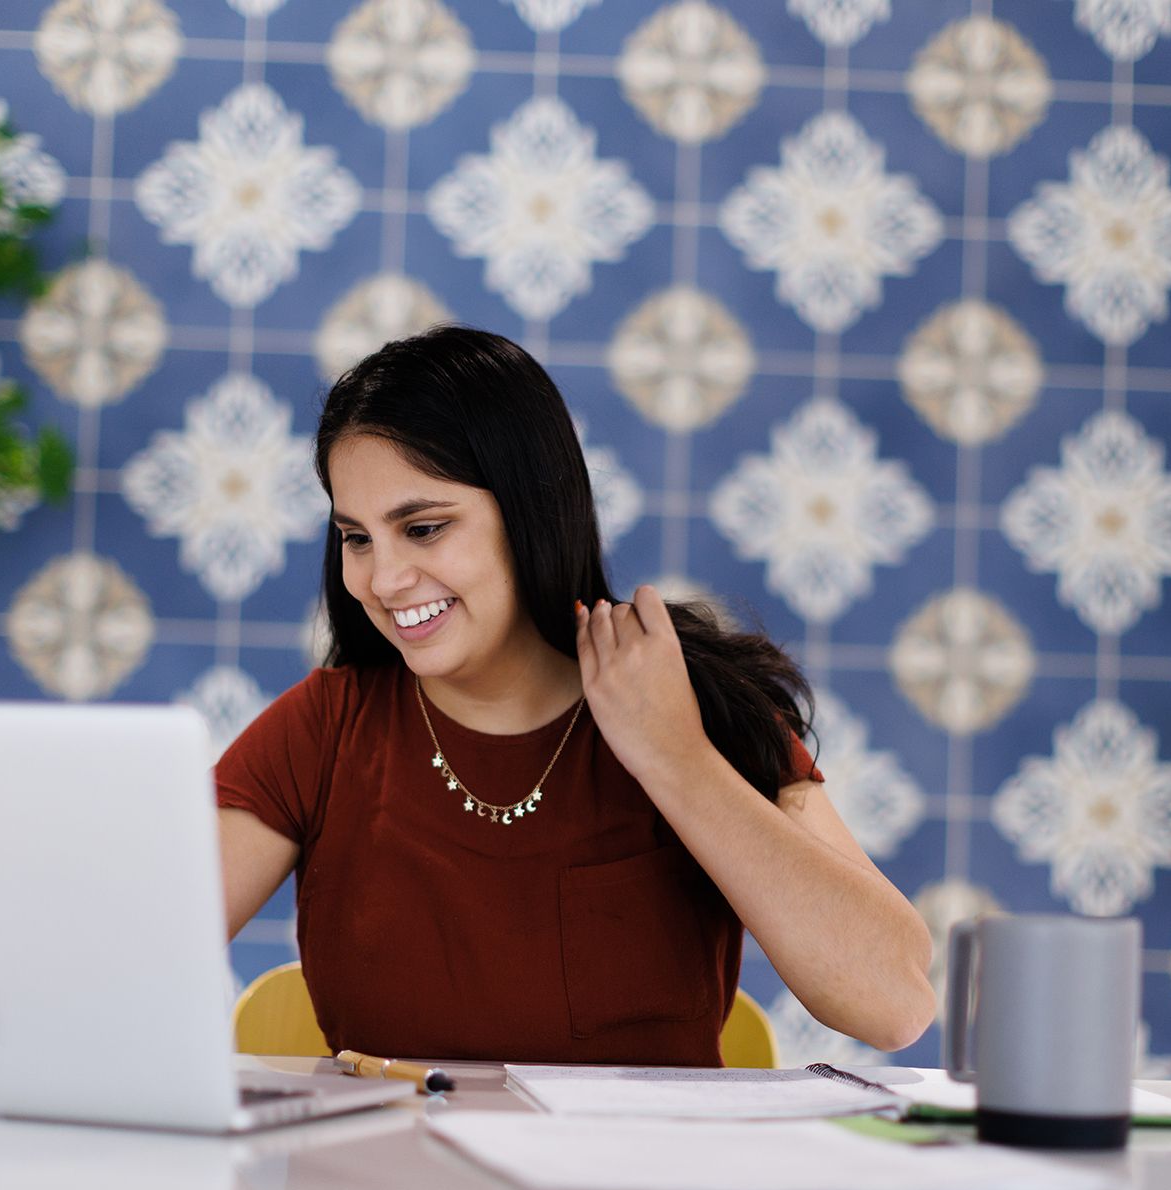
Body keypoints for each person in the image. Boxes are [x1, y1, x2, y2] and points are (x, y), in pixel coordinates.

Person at [215, 326, 935, 1064]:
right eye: (356, 538)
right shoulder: (325, 729)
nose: (382, 579)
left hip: (635, 1179)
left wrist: (675, 757)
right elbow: (125, 959)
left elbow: (897, 1004)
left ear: (529, 512)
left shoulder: (684, 701)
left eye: (423, 528)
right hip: (387, 1178)